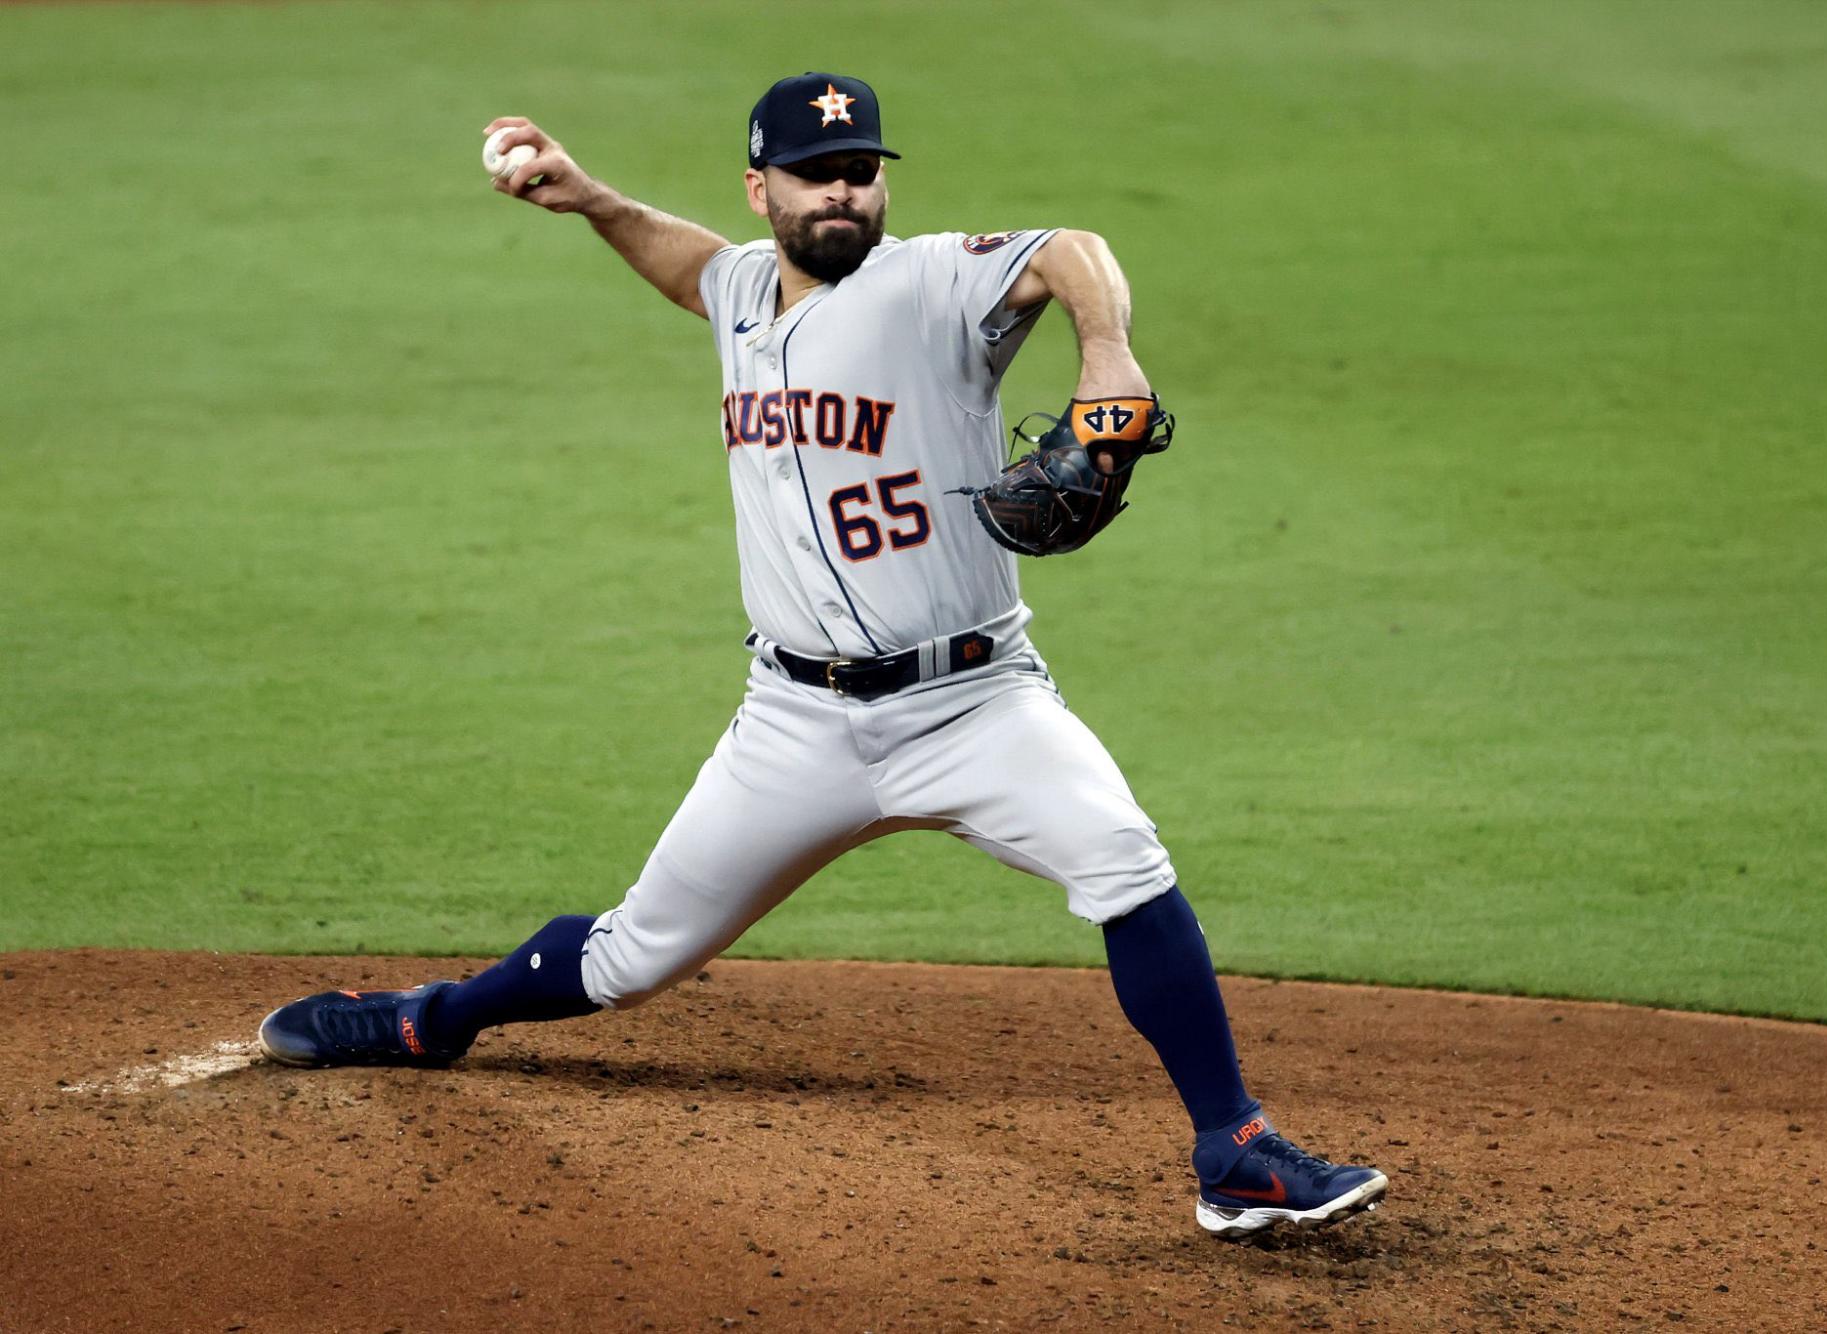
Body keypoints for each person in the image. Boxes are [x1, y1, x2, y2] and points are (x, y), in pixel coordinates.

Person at [258, 72, 1388, 1240]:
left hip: (973, 699)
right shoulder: (745, 284)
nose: (842, 194)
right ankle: (425, 1019)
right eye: (813, 175)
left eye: (860, 173)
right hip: (792, 724)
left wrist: (1105, 352)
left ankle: (1233, 1150)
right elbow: (693, 267)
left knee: (1122, 859)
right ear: (763, 190)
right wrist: (591, 198)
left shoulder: (932, 281)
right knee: (628, 960)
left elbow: (1071, 248)